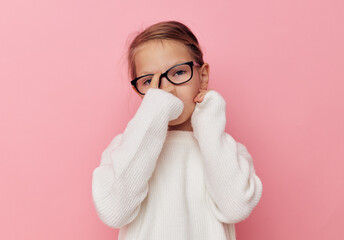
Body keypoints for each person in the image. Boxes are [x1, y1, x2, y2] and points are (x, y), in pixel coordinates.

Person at [91, 20, 263, 240]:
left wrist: (208, 120)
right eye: (148, 81)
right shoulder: (125, 149)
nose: (167, 89)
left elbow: (235, 207)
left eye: (179, 72)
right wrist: (152, 114)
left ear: (202, 76)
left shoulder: (227, 150)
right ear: (139, 90)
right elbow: (115, 212)